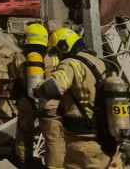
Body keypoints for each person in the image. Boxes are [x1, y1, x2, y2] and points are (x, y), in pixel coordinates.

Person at [34, 28, 122, 169]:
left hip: (84, 143)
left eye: (58, 53)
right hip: (109, 140)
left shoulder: (70, 63)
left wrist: (38, 88)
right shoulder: (103, 63)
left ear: (64, 46)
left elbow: (52, 87)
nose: (59, 57)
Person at [9, 23, 64, 169]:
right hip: (50, 103)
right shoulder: (53, 57)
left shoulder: (19, 57)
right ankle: (55, 166)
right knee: (53, 137)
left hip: (26, 101)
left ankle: (23, 162)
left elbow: (14, 74)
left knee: (24, 131)